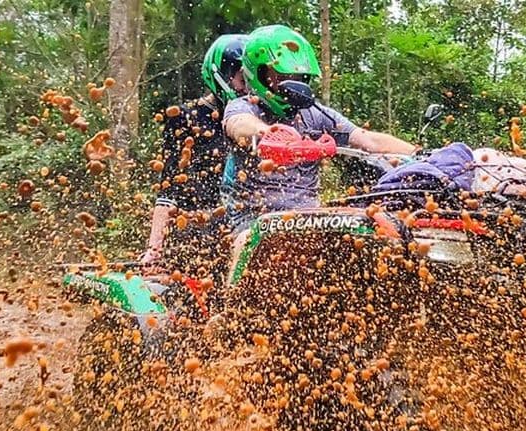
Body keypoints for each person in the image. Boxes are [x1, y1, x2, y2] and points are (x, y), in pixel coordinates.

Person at [221, 24, 417, 233]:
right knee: (245, 242)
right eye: (278, 77)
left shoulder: (315, 113)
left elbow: (366, 139)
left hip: (308, 218)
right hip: (254, 218)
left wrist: (418, 153)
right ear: (257, 74)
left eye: (297, 78)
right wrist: (270, 134)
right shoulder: (244, 106)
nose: (290, 84)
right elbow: (238, 124)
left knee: (368, 231)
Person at [140, 33, 248, 267]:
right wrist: (154, 249)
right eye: (243, 80)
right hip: (196, 233)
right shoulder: (185, 118)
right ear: (223, 77)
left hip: (243, 227)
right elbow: (169, 187)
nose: (248, 89)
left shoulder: (259, 119)